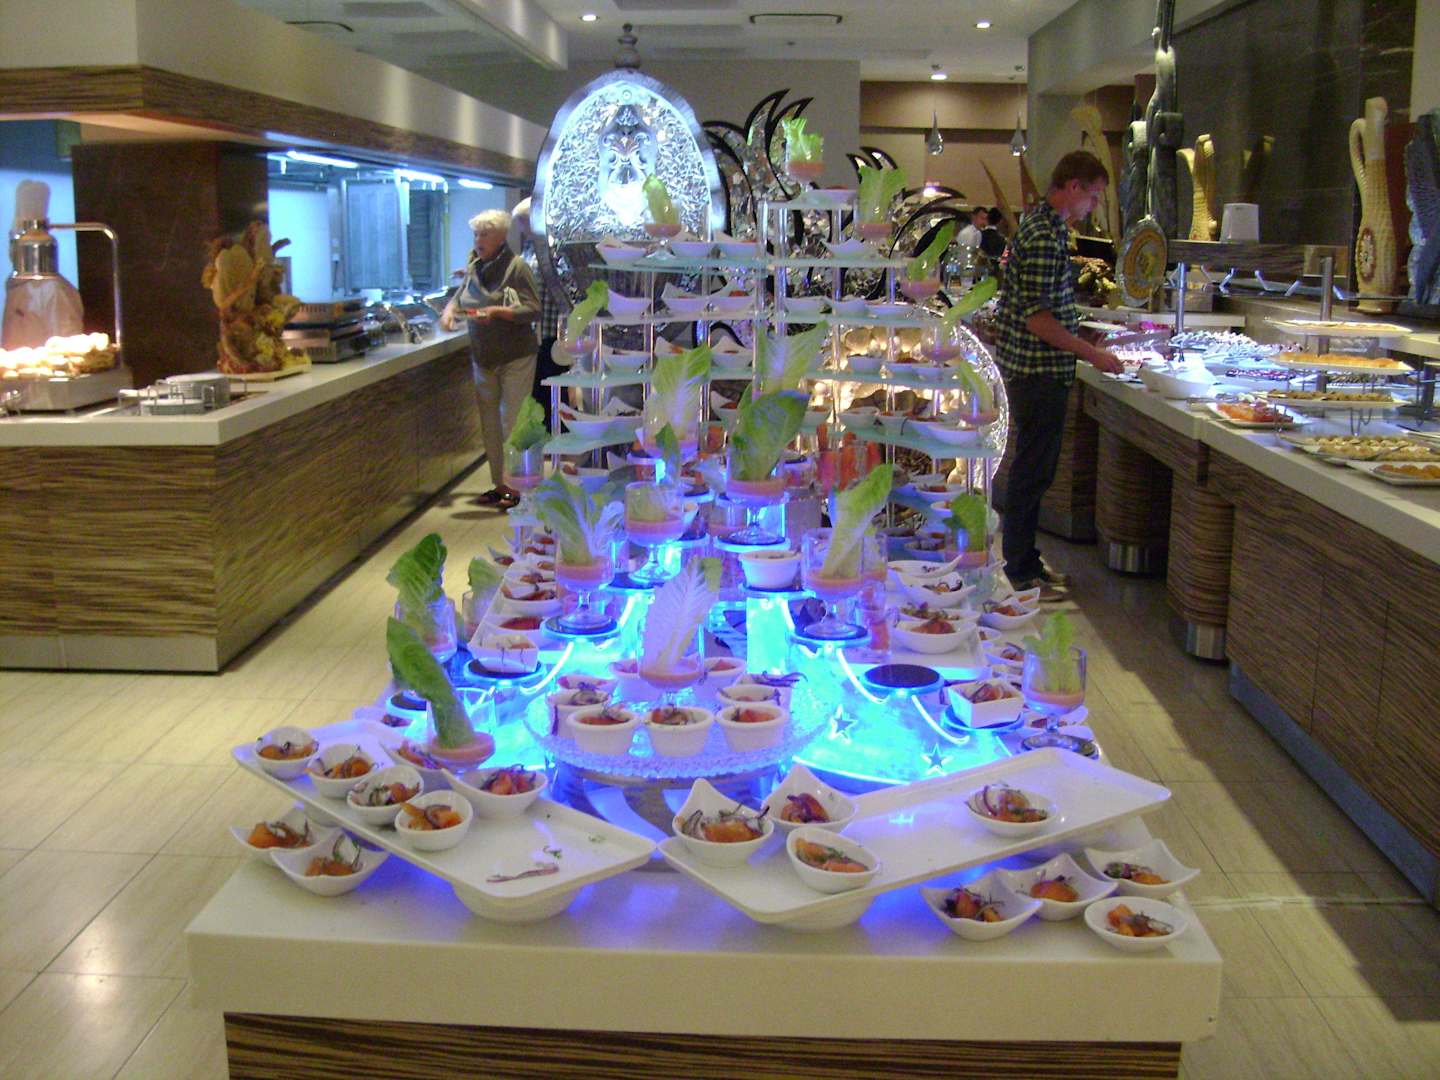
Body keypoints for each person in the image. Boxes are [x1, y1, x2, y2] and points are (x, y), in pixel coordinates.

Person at [993, 150, 1123, 599]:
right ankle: (1020, 570)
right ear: (1072, 187)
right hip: (1037, 371)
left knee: (1034, 471)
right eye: (1094, 195)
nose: (1094, 206)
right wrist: (1092, 354)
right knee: (1032, 473)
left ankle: (1026, 561)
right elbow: (1038, 320)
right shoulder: (1045, 237)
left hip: (1036, 369)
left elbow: (1045, 310)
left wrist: (1084, 337)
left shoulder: (1043, 228)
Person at [441, 209, 540, 510]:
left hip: (515, 355)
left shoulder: (517, 267)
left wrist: (497, 312)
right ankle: (500, 485)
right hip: (483, 356)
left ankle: (519, 487)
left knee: (513, 422)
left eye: (485, 234)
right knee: (490, 425)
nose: (478, 240)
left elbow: (533, 309)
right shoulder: (475, 265)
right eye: (476, 234)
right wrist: (449, 310)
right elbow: (460, 295)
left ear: (501, 237)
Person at [512, 197, 569, 429]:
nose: (521, 230)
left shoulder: (554, 249)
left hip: (553, 330)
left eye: (522, 224)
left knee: (553, 389)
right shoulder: (531, 248)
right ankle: (546, 436)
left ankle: (557, 433)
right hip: (537, 332)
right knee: (540, 391)